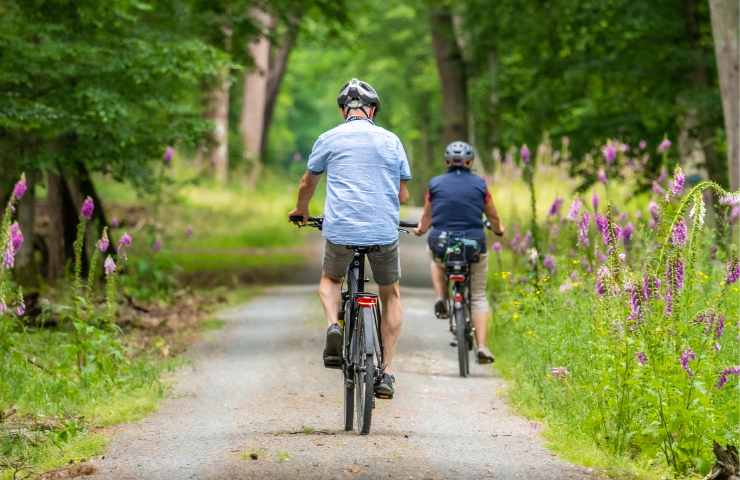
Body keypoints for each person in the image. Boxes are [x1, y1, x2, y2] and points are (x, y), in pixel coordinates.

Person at [288, 79, 411, 399]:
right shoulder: (391, 140)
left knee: (330, 279)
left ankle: (333, 325)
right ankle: (386, 372)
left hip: (341, 229)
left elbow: (307, 183)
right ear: (372, 111)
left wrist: (301, 210)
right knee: (391, 293)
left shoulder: (328, 138)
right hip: (383, 231)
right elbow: (404, 192)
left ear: (344, 111)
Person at [413, 141, 504, 364]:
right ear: (470, 162)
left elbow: (427, 216)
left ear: (447, 162)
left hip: (442, 243)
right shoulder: (481, 185)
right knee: (479, 296)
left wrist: (421, 229)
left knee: (435, 259)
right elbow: (492, 216)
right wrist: (499, 229)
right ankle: (482, 346)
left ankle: (441, 297)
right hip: (473, 245)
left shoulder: (435, 184)